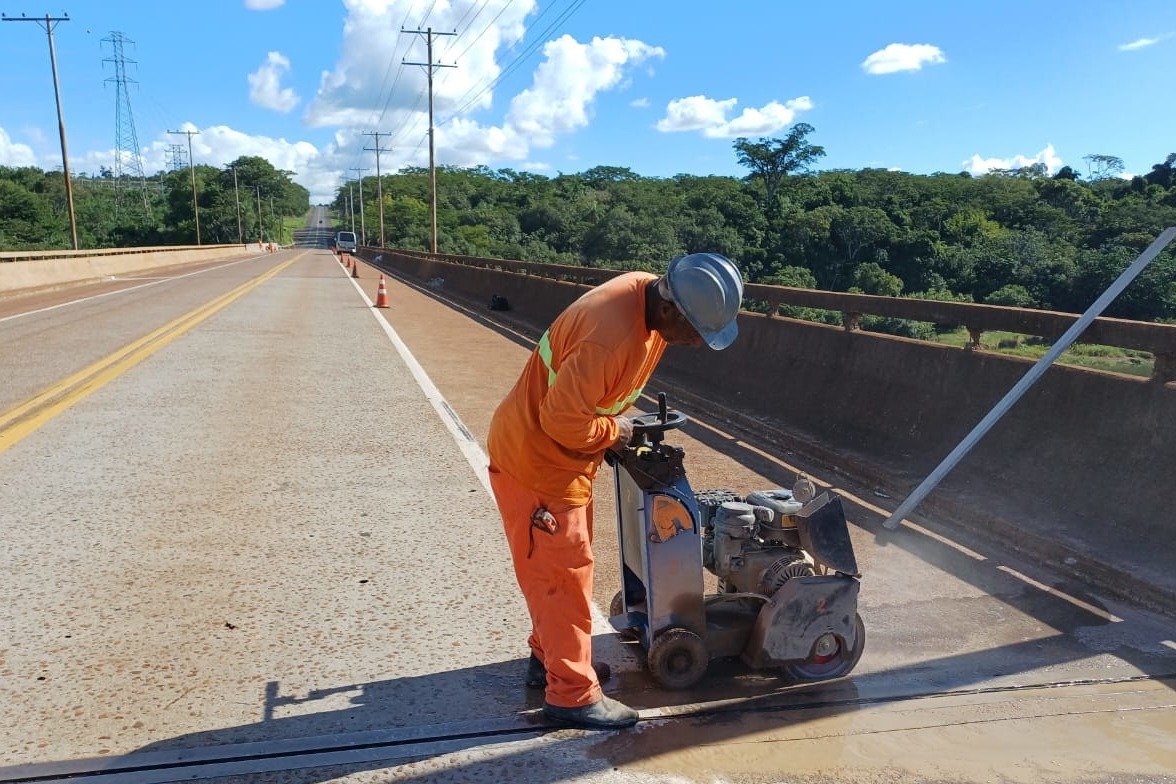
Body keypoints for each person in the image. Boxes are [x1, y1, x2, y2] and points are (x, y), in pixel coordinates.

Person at [486, 252, 744, 730]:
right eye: (695, 332)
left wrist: (607, 430)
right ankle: (572, 696)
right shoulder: (610, 336)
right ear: (671, 309)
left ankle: (553, 661)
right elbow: (562, 420)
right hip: (539, 464)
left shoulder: (647, 298)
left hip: (561, 462)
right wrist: (615, 433)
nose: (694, 344)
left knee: (563, 573)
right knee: (563, 578)